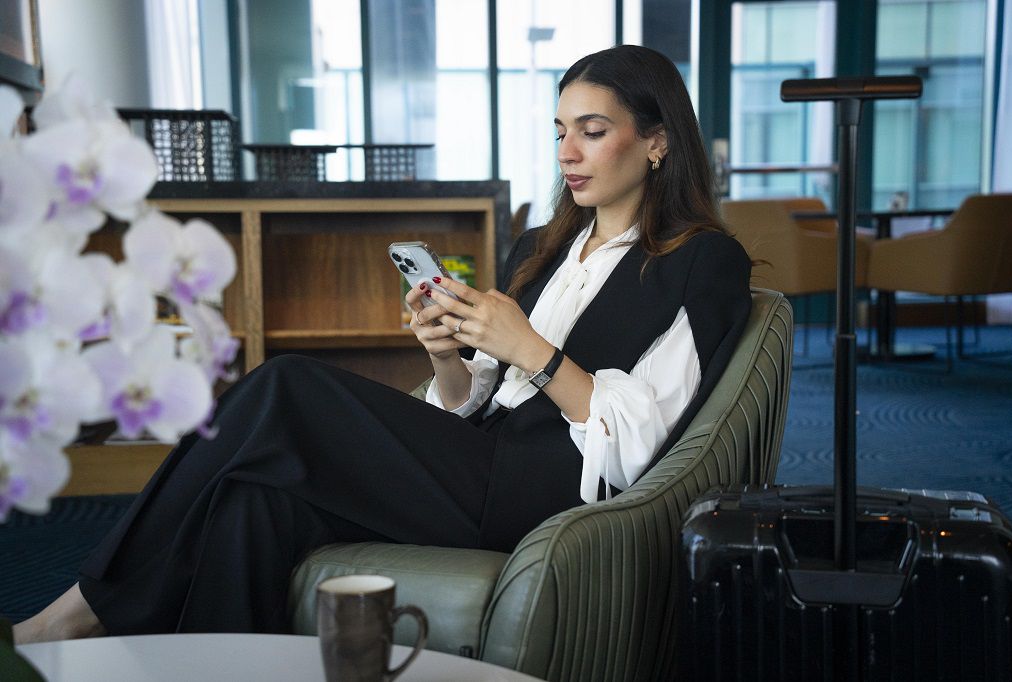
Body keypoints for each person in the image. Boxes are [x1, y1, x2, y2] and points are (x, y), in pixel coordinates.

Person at [13, 44, 751, 643]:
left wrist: (535, 352)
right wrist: (445, 356)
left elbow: (648, 438)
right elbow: (471, 404)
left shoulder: (700, 261)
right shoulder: (542, 248)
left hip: (551, 494)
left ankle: (84, 608)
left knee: (286, 385)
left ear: (656, 142)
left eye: (592, 129)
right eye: (560, 131)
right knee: (253, 500)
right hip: (480, 463)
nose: (569, 151)